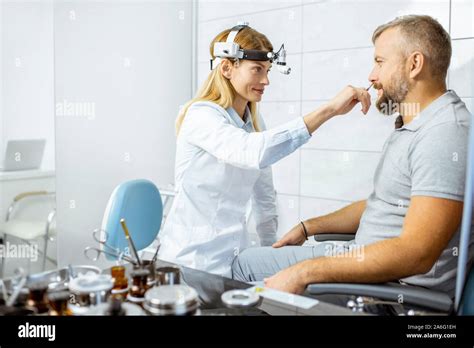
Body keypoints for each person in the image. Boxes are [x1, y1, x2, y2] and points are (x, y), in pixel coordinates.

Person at [232, 15, 473, 298]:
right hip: (362, 259)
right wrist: (307, 227)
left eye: (380, 62)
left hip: (391, 290)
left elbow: (416, 253)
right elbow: (383, 204)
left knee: (242, 268)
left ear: (414, 64)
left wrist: (305, 271)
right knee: (246, 261)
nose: (372, 75)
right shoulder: (417, 125)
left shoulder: (444, 133)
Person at [157, 23, 371, 276]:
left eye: (268, 70)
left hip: (233, 260)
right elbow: (251, 151)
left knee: (327, 261)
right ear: (227, 68)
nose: (266, 80)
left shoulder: (254, 124)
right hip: (191, 263)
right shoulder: (201, 116)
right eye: (257, 69)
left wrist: (272, 250)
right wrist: (329, 111)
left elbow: (264, 196)